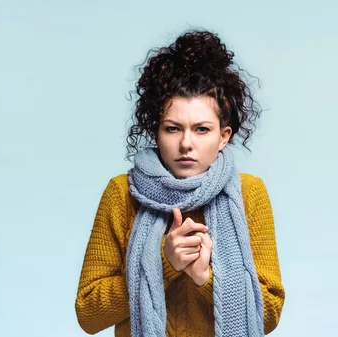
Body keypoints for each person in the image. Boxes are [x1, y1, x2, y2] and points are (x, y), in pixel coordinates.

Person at [75, 29, 285, 336]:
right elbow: (88, 314)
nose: (186, 143)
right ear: (156, 131)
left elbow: (269, 315)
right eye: (173, 129)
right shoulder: (123, 193)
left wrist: (205, 276)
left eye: (201, 130)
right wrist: (163, 262)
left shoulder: (248, 193)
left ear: (223, 136)